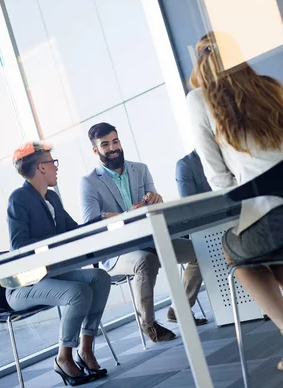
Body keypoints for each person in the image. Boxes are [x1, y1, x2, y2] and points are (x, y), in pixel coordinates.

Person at [187, 32, 283, 371]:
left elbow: (218, 179)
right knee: (270, 248)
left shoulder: (198, 99)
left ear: (200, 63)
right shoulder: (270, 87)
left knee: (237, 253)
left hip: (276, 218)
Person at [79, 123, 206, 344]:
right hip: (117, 251)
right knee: (146, 261)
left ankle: (180, 308)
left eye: (115, 141)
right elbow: (92, 222)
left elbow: (155, 205)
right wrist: (127, 214)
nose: (112, 148)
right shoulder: (89, 182)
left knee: (201, 250)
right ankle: (148, 324)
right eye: (105, 144)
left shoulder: (141, 169)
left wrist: (156, 199)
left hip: (150, 239)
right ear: (95, 150)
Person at [7, 142, 110, 386]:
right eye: (53, 163)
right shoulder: (19, 198)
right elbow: (19, 245)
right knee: (78, 293)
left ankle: (85, 350)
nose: (56, 168)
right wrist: (56, 243)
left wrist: (103, 219)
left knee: (100, 278)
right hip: (23, 285)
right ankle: (63, 358)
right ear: (41, 167)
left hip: (52, 275)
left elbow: (73, 232)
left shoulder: (51, 197)